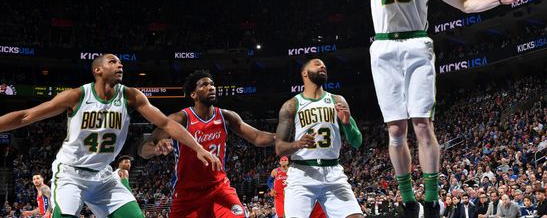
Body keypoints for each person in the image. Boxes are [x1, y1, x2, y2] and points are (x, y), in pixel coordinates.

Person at [300, 0, 520, 218]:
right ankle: (407, 200)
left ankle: (430, 199)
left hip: (416, 44)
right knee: (395, 129)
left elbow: (465, 2)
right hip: (382, 46)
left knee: (422, 125)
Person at [0, 54, 221, 218]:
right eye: (113, 62)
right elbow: (26, 116)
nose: (119, 65)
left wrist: (198, 148)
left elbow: (165, 123)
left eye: (120, 63)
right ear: (97, 70)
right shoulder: (77, 96)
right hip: (70, 174)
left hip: (103, 176)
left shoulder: (131, 96)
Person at [139, 70, 275, 218]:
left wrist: (279, 137)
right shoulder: (180, 118)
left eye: (212, 84)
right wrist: (156, 147)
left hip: (219, 187)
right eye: (204, 85)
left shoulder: (226, 116)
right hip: (187, 193)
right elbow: (142, 150)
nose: (211, 87)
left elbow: (257, 137)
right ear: (193, 95)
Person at [275, 59, 364, 218]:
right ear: (304, 73)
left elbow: (357, 142)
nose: (322, 66)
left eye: (324, 65)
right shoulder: (292, 105)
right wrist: (298, 144)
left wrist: (347, 124)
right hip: (301, 175)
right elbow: (279, 148)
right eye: (317, 64)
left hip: (333, 174)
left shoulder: (338, 100)